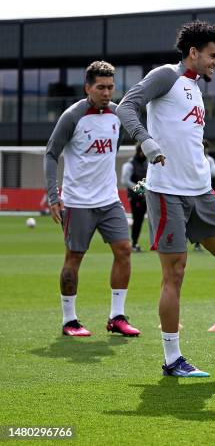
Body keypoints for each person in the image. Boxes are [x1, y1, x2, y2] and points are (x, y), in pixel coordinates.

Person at [117, 20, 215, 377]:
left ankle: (181, 238)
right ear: (193, 52)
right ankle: (172, 360)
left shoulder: (196, 88)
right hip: (167, 192)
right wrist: (146, 141)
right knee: (175, 273)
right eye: (212, 56)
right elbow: (126, 107)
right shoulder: (165, 75)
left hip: (201, 190)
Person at [44, 61, 140, 337]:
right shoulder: (72, 116)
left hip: (109, 201)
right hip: (77, 202)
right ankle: (69, 320)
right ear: (88, 87)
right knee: (74, 257)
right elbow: (51, 154)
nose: (107, 92)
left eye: (111, 87)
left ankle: (117, 317)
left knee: (124, 250)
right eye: (101, 87)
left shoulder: (117, 115)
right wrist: (54, 197)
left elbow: (115, 148)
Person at [121, 144, 148, 252]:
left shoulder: (146, 163)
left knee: (140, 220)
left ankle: (135, 242)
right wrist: (140, 190)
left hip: (145, 197)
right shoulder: (130, 164)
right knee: (137, 220)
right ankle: (133, 243)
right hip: (135, 197)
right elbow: (125, 181)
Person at [193, 139, 215, 252]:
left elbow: (214, 173)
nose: (206, 150)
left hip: (204, 191)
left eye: (207, 147)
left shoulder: (209, 160)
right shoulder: (193, 158)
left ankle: (198, 243)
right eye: (204, 147)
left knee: (201, 218)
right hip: (191, 191)